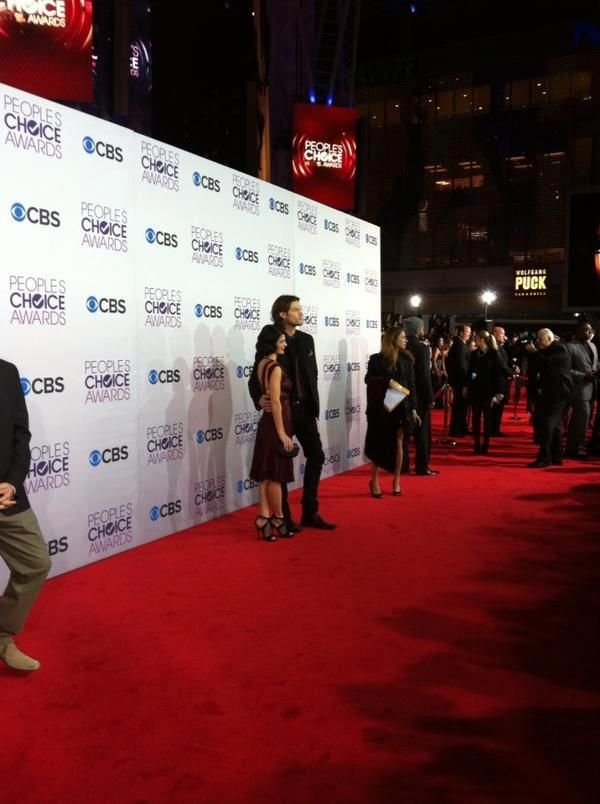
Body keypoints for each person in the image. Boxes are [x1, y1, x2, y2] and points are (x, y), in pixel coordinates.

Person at [249, 295, 335, 531]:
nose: (301, 313)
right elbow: (256, 377)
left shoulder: (307, 340)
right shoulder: (272, 338)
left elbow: (312, 374)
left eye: (300, 308)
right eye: (296, 309)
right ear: (282, 314)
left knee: (316, 456)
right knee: (281, 465)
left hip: (305, 410)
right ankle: (283, 517)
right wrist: (258, 399)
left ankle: (310, 511)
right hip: (283, 411)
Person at [0, 358, 52, 671]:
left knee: (36, 563)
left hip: (6, 496)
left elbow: (21, 434)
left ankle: (1, 636)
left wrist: (12, 482)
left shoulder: (7, 372)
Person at [249, 326, 295, 541]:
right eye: (282, 341)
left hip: (267, 423)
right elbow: (275, 402)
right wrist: (282, 433)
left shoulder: (262, 364)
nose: (285, 344)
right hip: (276, 423)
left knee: (266, 475)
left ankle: (263, 517)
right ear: (272, 343)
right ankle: (278, 518)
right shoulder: (275, 368)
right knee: (275, 476)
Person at [364, 327, 420, 496]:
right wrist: (387, 382)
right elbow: (368, 379)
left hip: (401, 407)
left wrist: (414, 408)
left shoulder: (407, 359)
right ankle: (374, 481)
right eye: (402, 337)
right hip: (381, 408)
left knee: (399, 443)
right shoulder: (376, 359)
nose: (406, 340)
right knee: (379, 443)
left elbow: (411, 385)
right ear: (393, 339)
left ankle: (396, 480)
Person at [528, 329, 573, 468]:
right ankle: (557, 456)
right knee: (556, 425)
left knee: (547, 423)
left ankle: (544, 457)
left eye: (540, 339)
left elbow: (547, 363)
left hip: (559, 392)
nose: (538, 342)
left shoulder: (559, 348)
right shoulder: (548, 349)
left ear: (549, 338)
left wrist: (534, 352)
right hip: (551, 392)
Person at [402, 316, 439, 475]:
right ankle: (422, 467)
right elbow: (424, 376)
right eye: (422, 327)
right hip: (419, 398)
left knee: (403, 434)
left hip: (401, 396)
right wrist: (430, 398)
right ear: (418, 329)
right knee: (422, 434)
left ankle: (402, 466)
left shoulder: (399, 346)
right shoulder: (422, 348)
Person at [465, 331, 503, 454]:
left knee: (487, 419)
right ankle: (476, 445)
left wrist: (498, 392)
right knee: (475, 419)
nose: (475, 340)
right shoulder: (474, 354)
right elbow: (469, 371)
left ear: (482, 339)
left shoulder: (494, 354)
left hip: (488, 391)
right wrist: (466, 386)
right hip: (475, 390)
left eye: (476, 338)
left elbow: (498, 374)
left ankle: (485, 445)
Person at [565, 320, 598, 459]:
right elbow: (566, 370)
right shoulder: (569, 347)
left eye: (590, 330)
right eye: (585, 330)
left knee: (584, 420)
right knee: (580, 421)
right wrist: (584, 376)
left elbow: (594, 365)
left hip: (592, 389)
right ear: (577, 331)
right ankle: (575, 449)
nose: (589, 332)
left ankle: (576, 447)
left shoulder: (593, 345)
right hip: (579, 390)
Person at [490, 325, 519, 436]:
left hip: (501, 380)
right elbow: (500, 364)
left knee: (498, 408)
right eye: (502, 333)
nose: (504, 336)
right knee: (495, 408)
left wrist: (513, 367)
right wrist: (512, 372)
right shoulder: (494, 347)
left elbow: (505, 361)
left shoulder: (499, 346)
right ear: (495, 333)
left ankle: (495, 429)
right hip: (497, 382)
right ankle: (493, 430)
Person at [446, 324, 472, 436]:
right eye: (467, 332)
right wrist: (466, 382)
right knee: (460, 406)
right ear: (461, 333)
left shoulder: (459, 344)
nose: (469, 334)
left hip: (458, 380)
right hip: (460, 381)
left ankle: (461, 428)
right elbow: (462, 366)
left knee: (461, 406)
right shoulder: (460, 345)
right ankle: (456, 430)